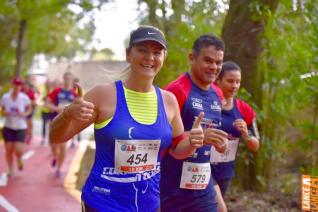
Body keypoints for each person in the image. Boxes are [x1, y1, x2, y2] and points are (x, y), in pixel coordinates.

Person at [49, 25, 205, 211]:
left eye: (157, 52)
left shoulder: (168, 101)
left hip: (148, 205)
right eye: (142, 50)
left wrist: (192, 142)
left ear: (164, 57)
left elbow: (178, 150)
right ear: (128, 54)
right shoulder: (103, 95)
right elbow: (55, 137)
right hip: (103, 204)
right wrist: (67, 114)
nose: (150, 57)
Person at [160, 34, 229, 212]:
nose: (214, 67)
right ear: (192, 58)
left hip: (202, 185)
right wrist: (197, 137)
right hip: (171, 188)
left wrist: (219, 144)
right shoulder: (176, 90)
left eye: (218, 62)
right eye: (208, 60)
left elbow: (209, 136)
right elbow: (161, 139)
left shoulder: (217, 94)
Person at [211, 61, 260, 212]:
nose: (234, 86)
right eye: (230, 81)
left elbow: (255, 146)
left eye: (238, 82)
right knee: (220, 209)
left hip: (225, 170)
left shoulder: (245, 110)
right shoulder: (208, 105)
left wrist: (246, 134)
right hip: (204, 167)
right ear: (218, 81)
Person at [46, 72, 77, 177]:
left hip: (67, 123)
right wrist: (56, 109)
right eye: (66, 78)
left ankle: (59, 168)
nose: (68, 80)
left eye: (70, 78)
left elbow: (78, 107)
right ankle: (55, 155)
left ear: (72, 80)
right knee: (53, 144)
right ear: (63, 79)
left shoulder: (74, 94)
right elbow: (47, 102)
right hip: (55, 120)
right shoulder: (57, 91)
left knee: (63, 146)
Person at [1, 77, 32, 176]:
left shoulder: (24, 98)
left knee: (18, 150)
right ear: (12, 85)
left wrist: (25, 113)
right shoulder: (5, 97)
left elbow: (30, 109)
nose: (17, 87)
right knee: (9, 149)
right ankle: (10, 169)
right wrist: (4, 112)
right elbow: (2, 109)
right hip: (8, 126)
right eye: (15, 84)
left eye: (19, 85)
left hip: (20, 127)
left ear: (21, 87)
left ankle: (19, 159)